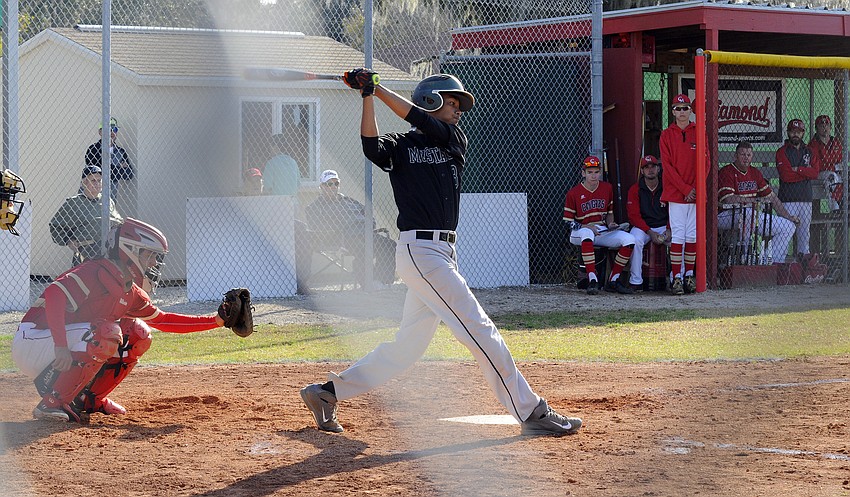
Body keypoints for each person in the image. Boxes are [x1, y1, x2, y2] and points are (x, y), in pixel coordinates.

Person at [299, 70, 581, 436]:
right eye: (451, 102)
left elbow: (418, 118)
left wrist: (377, 88)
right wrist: (368, 96)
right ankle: (531, 410)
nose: (458, 109)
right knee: (481, 329)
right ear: (432, 100)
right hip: (420, 251)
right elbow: (371, 146)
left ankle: (327, 393)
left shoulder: (452, 140)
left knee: (407, 348)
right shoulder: (401, 145)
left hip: (442, 252)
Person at [12, 218, 235, 423]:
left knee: (139, 333)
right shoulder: (94, 271)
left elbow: (163, 320)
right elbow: (54, 295)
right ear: (131, 251)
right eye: (151, 255)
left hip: (58, 342)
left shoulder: (131, 291)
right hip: (33, 340)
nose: (155, 263)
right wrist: (60, 345)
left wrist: (216, 320)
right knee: (107, 332)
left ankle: (89, 400)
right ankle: (51, 403)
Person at [305, 169, 396, 287]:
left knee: (389, 244)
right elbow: (316, 226)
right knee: (363, 250)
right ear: (322, 186)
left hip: (365, 233)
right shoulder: (316, 206)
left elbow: (368, 214)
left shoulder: (349, 201)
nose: (333, 187)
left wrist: (370, 227)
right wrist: (334, 232)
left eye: (336, 183)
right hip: (344, 237)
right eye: (329, 184)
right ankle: (368, 282)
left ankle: (382, 281)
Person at [563, 156, 636, 295]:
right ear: (583, 173)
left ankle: (613, 280)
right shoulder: (574, 193)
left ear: (600, 172)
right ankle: (592, 279)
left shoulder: (607, 188)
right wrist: (586, 226)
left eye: (596, 172)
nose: (593, 175)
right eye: (589, 172)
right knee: (587, 233)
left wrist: (611, 224)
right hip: (579, 231)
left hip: (601, 230)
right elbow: (568, 221)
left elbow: (609, 213)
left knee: (630, 239)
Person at [718, 141, 800, 265]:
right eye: (742, 154)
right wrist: (755, 201)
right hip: (726, 215)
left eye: (748, 155)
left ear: (752, 156)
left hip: (751, 216)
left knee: (788, 226)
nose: (746, 158)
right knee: (749, 212)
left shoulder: (755, 173)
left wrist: (788, 216)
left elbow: (772, 198)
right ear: (735, 156)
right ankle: (744, 256)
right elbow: (729, 199)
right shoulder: (727, 171)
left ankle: (771, 262)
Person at [659, 94, 698, 295]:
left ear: (691, 111)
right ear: (673, 111)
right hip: (676, 194)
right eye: (678, 108)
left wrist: (695, 189)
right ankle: (676, 278)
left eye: (685, 108)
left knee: (692, 236)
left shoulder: (698, 132)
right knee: (678, 236)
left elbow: (705, 163)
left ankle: (689, 275)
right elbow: (667, 167)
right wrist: (686, 189)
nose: (682, 112)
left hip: (695, 195)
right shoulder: (666, 135)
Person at [50, 165, 123, 267]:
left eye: (99, 180)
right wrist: (68, 240)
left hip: (109, 251)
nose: (97, 184)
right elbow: (55, 226)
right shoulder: (74, 203)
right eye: (93, 181)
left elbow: (118, 222)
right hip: (87, 251)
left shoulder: (107, 201)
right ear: (84, 183)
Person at [777, 119, 820, 259]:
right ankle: (780, 265)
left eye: (798, 132)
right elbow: (785, 176)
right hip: (787, 199)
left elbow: (815, 173)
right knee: (785, 233)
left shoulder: (810, 151)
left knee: (804, 234)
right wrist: (805, 173)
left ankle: (804, 267)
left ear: (803, 133)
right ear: (788, 132)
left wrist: (798, 169)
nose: (795, 134)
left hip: (806, 199)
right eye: (792, 131)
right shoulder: (782, 151)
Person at [627, 154, 670, 291]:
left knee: (680, 239)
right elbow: (634, 216)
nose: (650, 170)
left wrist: (669, 229)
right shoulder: (635, 189)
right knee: (634, 240)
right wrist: (650, 232)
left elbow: (675, 212)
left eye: (653, 166)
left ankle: (678, 278)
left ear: (658, 169)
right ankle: (636, 281)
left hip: (664, 225)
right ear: (642, 171)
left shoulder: (667, 187)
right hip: (644, 227)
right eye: (646, 167)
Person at [84, 118, 134, 199]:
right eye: (108, 129)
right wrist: (119, 168)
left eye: (114, 129)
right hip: (91, 197)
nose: (111, 132)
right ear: (100, 132)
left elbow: (129, 174)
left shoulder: (121, 152)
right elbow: (97, 172)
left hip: (111, 198)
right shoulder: (93, 149)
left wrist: (110, 169)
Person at [808, 114, 843, 210]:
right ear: (816, 128)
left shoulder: (835, 142)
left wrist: (834, 166)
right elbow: (818, 165)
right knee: (831, 177)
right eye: (821, 125)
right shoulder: (813, 144)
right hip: (819, 174)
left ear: (830, 127)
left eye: (827, 124)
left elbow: (840, 162)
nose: (824, 127)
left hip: (836, 173)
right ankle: (835, 210)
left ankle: (843, 207)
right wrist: (834, 166)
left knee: (837, 177)